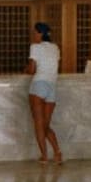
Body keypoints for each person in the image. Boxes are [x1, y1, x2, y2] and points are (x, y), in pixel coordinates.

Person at [27, 22, 63, 164]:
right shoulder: (55, 48)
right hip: (52, 86)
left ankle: (44, 156)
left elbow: (32, 69)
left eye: (35, 33)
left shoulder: (35, 47)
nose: (33, 35)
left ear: (40, 33)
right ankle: (57, 153)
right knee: (45, 125)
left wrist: (25, 69)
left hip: (39, 85)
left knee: (39, 124)